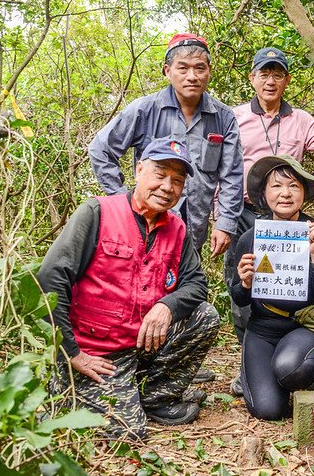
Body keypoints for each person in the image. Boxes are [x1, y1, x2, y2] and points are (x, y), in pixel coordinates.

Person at [40, 137, 220, 439]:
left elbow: (196, 283)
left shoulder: (176, 228)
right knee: (127, 433)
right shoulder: (97, 213)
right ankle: (73, 388)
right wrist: (71, 352)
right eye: (160, 175)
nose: (167, 187)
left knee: (204, 316)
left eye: (177, 181)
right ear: (139, 170)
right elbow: (50, 279)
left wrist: (167, 307)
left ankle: (155, 397)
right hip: (96, 350)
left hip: (142, 341)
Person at [226, 47, 314, 395]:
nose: (270, 81)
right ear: (252, 78)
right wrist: (221, 218)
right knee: (244, 283)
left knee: (298, 280)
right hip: (243, 210)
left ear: (286, 80)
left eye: (277, 74)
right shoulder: (234, 117)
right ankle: (251, 365)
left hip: (291, 216)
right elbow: (220, 167)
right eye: (263, 74)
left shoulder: (301, 120)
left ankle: (294, 354)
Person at [89, 32, 243, 259]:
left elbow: (232, 174)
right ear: (167, 71)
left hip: (194, 231)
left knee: (186, 288)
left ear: (209, 71)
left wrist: (225, 223)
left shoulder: (223, 117)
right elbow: (100, 149)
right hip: (146, 226)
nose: (192, 76)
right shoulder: (144, 109)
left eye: (200, 68)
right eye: (183, 68)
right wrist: (123, 200)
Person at [229, 155, 314, 420]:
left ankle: (305, 372)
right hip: (263, 329)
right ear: (265, 195)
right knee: (268, 410)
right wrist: (245, 282)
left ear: (303, 193)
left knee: (290, 369)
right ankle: (280, 377)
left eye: (294, 186)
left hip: (306, 326)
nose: (285, 194)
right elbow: (238, 297)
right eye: (276, 187)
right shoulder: (250, 237)